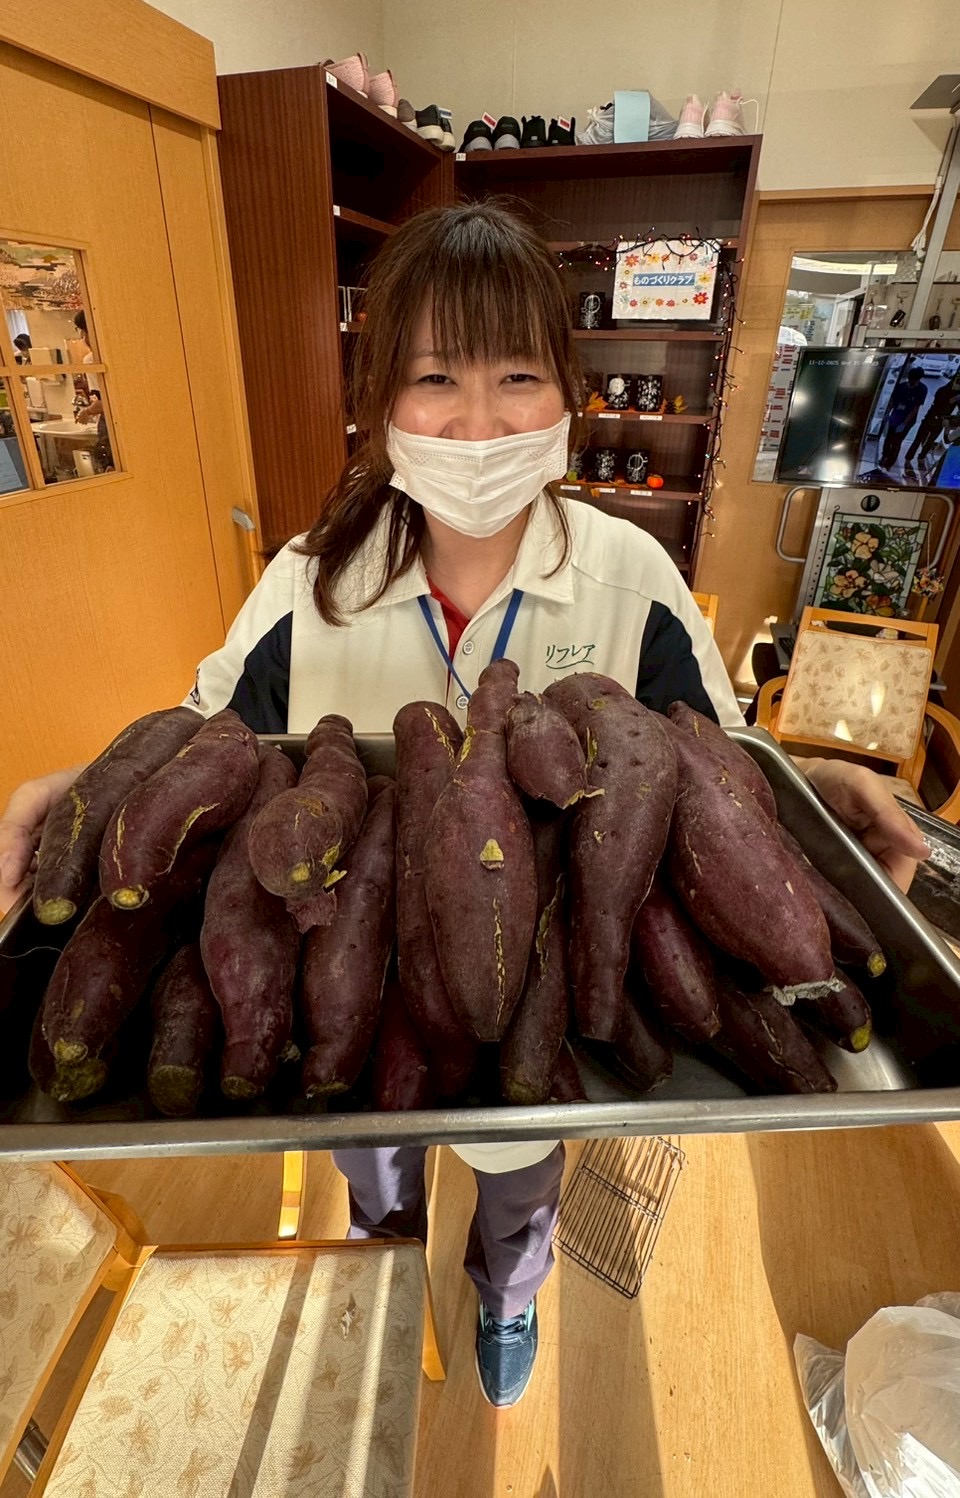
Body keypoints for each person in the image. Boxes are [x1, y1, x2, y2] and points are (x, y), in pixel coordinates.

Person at [0, 204, 928, 1410]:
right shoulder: (305, 578)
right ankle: (387, 1259)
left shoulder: (630, 576)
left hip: (530, 988)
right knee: (369, 1146)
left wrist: (819, 787)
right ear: (383, 401)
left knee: (517, 1162)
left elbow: (721, 766)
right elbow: (211, 741)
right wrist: (72, 793)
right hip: (344, 971)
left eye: (517, 376)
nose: (478, 423)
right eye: (436, 377)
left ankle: (508, 1288)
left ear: (567, 399)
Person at [904, 370, 960, 480]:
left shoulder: (957, 395)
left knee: (930, 440)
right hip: (931, 417)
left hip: (941, 421)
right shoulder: (943, 390)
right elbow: (941, 404)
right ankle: (908, 459)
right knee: (918, 438)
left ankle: (921, 457)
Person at [879, 364, 926, 469]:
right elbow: (892, 401)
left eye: (913, 381)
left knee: (897, 442)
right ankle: (884, 456)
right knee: (888, 439)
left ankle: (889, 463)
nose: (911, 383)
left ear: (918, 380)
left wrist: (904, 423)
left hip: (907, 419)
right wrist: (887, 413)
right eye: (910, 381)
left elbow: (915, 408)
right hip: (895, 416)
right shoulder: (901, 386)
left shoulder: (922, 389)